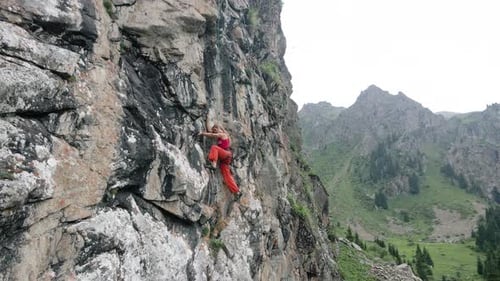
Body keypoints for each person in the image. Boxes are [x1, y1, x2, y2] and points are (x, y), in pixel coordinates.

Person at [199, 122, 242, 200]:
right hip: (224, 159)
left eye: (216, 129)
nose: (215, 131)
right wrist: (207, 119)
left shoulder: (223, 134)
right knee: (226, 175)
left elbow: (212, 135)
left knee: (214, 147)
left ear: (220, 129)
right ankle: (237, 191)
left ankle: (213, 165)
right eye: (214, 130)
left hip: (226, 154)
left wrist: (202, 133)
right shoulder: (219, 135)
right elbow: (210, 131)